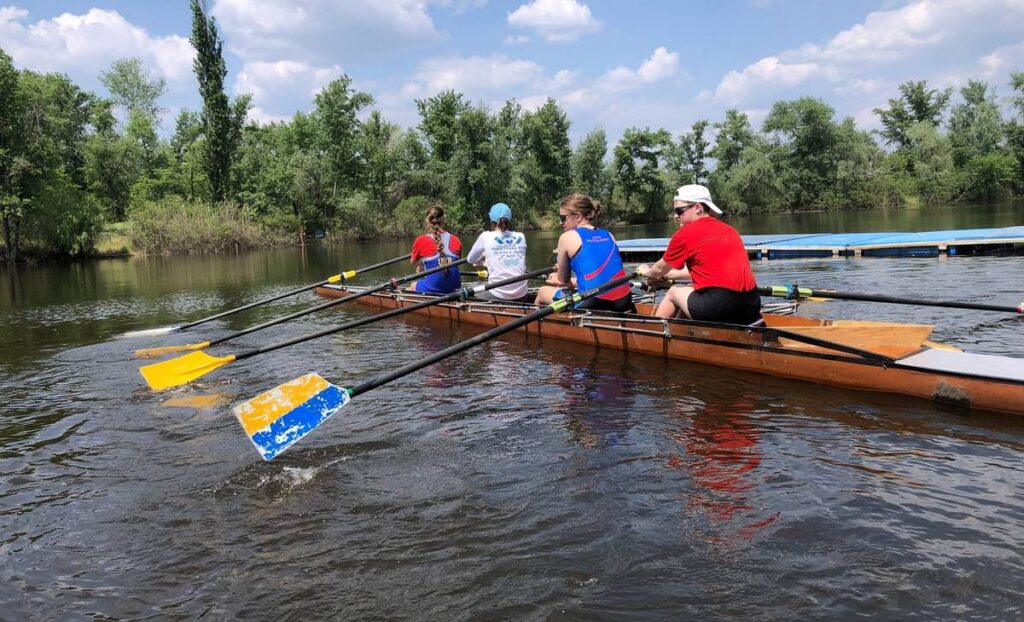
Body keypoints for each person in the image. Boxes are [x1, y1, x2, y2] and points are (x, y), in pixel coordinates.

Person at [637, 184, 761, 324]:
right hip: (752, 304)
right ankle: (684, 334)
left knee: (674, 291)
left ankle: (653, 333)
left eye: (679, 211)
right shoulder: (730, 230)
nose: (675, 216)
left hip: (721, 306)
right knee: (691, 289)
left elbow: (658, 269)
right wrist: (667, 275)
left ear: (697, 208)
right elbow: (709, 271)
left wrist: (646, 272)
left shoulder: (685, 234)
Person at [536, 193, 636, 313]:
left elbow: (563, 280)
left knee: (542, 292)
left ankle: (538, 324)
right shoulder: (609, 235)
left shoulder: (566, 237)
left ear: (577, 216)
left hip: (592, 302)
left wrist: (556, 276)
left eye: (563, 218)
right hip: (624, 301)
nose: (560, 223)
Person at [466, 202, 530, 302]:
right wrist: (486, 260)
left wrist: (482, 259)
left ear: (492, 221)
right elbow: (508, 258)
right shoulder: (521, 236)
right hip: (522, 294)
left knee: (472, 286)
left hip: (498, 294)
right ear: (509, 220)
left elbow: (470, 259)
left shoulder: (486, 236)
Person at [410, 206, 462, 294]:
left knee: (412, 285)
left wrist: (422, 267)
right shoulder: (456, 240)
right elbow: (456, 262)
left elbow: (413, 262)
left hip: (434, 286)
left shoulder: (420, 240)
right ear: (444, 220)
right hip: (455, 287)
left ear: (427, 222)